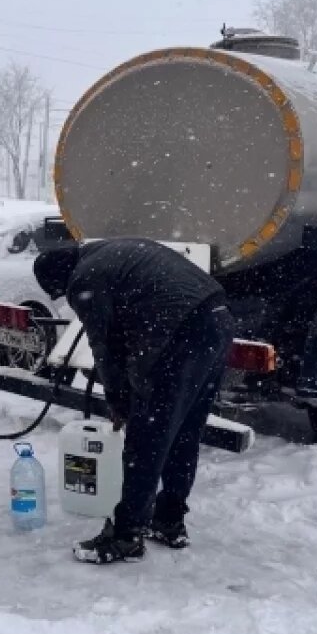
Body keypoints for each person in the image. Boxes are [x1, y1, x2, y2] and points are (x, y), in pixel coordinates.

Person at [33, 239, 234, 564]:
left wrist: (119, 401)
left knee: (146, 439)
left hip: (179, 330)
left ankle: (127, 536)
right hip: (217, 318)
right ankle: (169, 520)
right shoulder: (106, 252)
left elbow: (106, 348)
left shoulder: (85, 278)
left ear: (63, 278)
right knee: (184, 429)